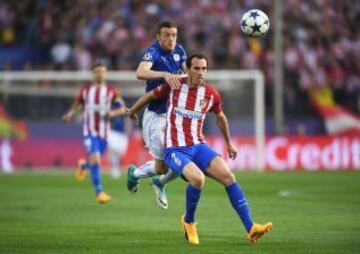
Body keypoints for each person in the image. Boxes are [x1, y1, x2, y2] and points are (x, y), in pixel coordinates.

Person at [127, 53, 272, 245]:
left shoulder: (211, 94)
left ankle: (251, 227)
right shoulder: (174, 85)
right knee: (197, 179)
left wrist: (229, 143)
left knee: (228, 176)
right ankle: (189, 221)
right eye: (196, 68)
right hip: (175, 149)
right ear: (187, 69)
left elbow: (220, 117)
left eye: (204, 68)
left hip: (198, 146)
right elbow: (150, 96)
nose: (201, 72)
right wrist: (132, 110)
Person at [128, 21, 187, 210]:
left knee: (183, 160)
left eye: (174, 35)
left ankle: (159, 183)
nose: (171, 39)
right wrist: (165, 74)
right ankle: (135, 174)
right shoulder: (152, 52)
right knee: (162, 167)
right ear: (158, 37)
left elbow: (186, 72)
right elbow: (140, 72)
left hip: (176, 116)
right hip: (157, 115)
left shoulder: (179, 50)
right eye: (167, 35)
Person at [62, 62, 126, 204]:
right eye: (97, 71)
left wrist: (112, 113)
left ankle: (83, 165)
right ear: (93, 74)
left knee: (95, 160)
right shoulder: (85, 91)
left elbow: (122, 108)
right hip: (89, 131)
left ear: (106, 74)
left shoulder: (111, 91)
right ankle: (99, 192)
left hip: (104, 134)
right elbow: (77, 105)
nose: (99, 74)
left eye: (102, 71)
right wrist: (69, 114)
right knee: (96, 158)